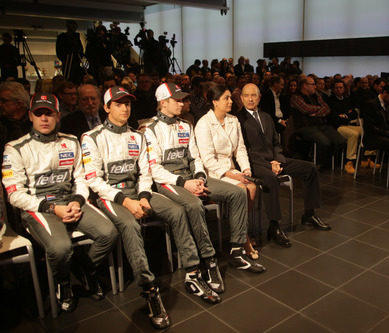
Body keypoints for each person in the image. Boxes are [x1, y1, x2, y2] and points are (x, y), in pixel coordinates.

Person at [81, 86, 199, 329]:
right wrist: (125, 201)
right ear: (106, 108)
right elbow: (94, 180)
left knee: (176, 211)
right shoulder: (91, 138)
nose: (125, 108)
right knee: (129, 223)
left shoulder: (138, 136)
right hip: (111, 197)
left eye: (128, 104)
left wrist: (144, 196)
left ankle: (192, 270)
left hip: (139, 192)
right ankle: (149, 290)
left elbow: (145, 172)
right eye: (118, 104)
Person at [2, 93, 118, 312]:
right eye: (39, 114)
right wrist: (52, 208)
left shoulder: (71, 141)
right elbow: (14, 195)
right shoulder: (15, 148)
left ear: (58, 115)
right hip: (38, 207)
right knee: (61, 247)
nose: (44, 119)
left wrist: (76, 200)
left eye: (49, 113)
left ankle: (85, 269)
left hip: (71, 202)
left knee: (109, 232)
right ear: (30, 116)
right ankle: (63, 282)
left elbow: (81, 178)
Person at [141, 82, 264, 278]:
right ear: (163, 103)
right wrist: (184, 182)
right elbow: (154, 169)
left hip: (193, 177)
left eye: (183, 99)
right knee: (195, 204)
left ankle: (237, 251)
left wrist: (199, 176)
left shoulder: (185, 125)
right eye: (177, 100)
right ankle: (208, 257)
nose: (182, 103)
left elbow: (196, 158)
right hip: (169, 182)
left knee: (239, 192)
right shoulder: (150, 130)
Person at [238, 83, 330, 245]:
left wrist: (277, 160)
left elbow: (275, 143)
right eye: (246, 95)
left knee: (310, 168)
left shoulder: (266, 117)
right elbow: (243, 150)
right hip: (254, 163)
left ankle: (309, 214)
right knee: (270, 178)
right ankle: (274, 225)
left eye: (253, 95)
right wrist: (269, 165)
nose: (250, 99)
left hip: (274, 160)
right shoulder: (237, 120)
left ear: (259, 98)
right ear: (241, 98)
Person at [195, 84, 264, 258]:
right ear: (214, 102)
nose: (230, 101)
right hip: (214, 173)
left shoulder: (233, 120)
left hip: (232, 169)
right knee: (241, 188)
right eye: (226, 98)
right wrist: (230, 173)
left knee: (252, 187)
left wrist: (246, 169)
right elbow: (207, 160)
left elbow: (240, 149)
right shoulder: (204, 124)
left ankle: (242, 230)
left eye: (230, 98)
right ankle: (243, 239)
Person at [290, 76, 346, 168]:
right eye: (312, 84)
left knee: (341, 141)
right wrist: (320, 109)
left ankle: (331, 162)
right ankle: (318, 164)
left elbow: (327, 109)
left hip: (322, 125)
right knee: (325, 142)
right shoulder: (296, 97)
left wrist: (315, 113)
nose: (315, 86)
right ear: (305, 85)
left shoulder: (316, 95)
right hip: (305, 127)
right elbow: (305, 109)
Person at [329, 80, 362, 174]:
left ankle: (367, 158)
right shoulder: (330, 100)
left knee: (366, 130)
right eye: (336, 87)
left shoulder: (347, 99)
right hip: (337, 127)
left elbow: (355, 113)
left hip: (349, 124)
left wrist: (345, 116)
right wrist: (348, 115)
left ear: (344, 89)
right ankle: (349, 161)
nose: (339, 89)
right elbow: (334, 118)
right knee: (353, 135)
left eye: (341, 87)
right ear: (333, 89)